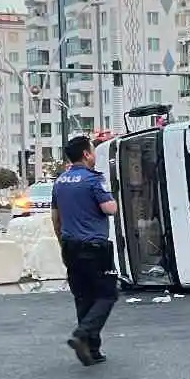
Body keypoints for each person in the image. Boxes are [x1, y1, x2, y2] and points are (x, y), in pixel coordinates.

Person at [51, 135, 119, 366]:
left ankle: (91, 349)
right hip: (95, 247)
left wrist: (63, 242)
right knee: (107, 294)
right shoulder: (93, 180)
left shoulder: (60, 181)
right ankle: (82, 335)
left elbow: (55, 218)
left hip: (70, 246)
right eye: (93, 150)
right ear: (87, 154)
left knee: (83, 298)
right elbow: (109, 208)